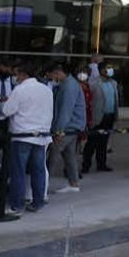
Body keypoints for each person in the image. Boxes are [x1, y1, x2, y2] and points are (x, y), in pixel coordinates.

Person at [0, 62, 53, 214]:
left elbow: (7, 111)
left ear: (23, 75)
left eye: (16, 74)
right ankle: (38, 202)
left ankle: (17, 205)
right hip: (42, 135)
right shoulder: (46, 89)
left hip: (22, 135)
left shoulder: (20, 90)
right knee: (39, 170)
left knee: (18, 171)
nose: (15, 77)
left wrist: (3, 102)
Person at [48, 62, 84, 193]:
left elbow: (65, 111)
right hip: (72, 126)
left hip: (67, 128)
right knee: (69, 155)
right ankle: (74, 183)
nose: (52, 77)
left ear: (58, 72)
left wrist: (58, 130)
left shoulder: (69, 86)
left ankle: (41, 186)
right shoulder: (67, 84)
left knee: (52, 156)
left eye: (52, 74)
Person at [82, 63, 118, 174]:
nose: (110, 70)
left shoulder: (113, 83)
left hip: (109, 116)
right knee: (91, 142)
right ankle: (86, 165)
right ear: (101, 70)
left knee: (104, 142)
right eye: (108, 68)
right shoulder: (93, 83)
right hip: (97, 117)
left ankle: (101, 164)